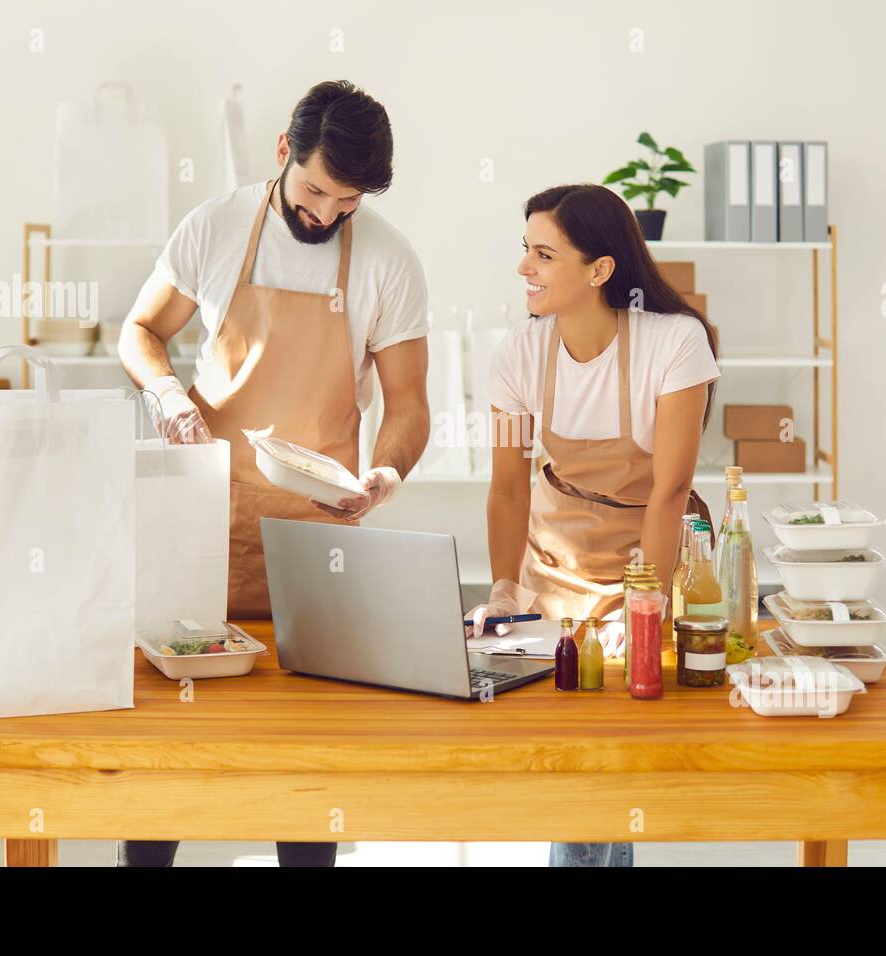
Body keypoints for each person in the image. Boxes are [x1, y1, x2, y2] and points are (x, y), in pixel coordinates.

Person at [116, 80, 431, 868]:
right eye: (315, 191)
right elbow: (140, 330)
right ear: (284, 152)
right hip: (201, 524)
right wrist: (164, 393)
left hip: (317, 534)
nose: (325, 215)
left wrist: (387, 473)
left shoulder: (390, 261)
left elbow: (409, 405)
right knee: (172, 758)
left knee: (306, 764)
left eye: (346, 202)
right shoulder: (217, 227)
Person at [469, 184, 720, 867]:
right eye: (526, 250)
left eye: (545, 254)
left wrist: (649, 605)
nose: (525, 267)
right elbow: (507, 488)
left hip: (647, 562)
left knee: (611, 756)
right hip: (554, 570)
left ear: (600, 270)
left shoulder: (674, 342)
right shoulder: (518, 355)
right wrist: (501, 589)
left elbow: (668, 491)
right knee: (579, 759)